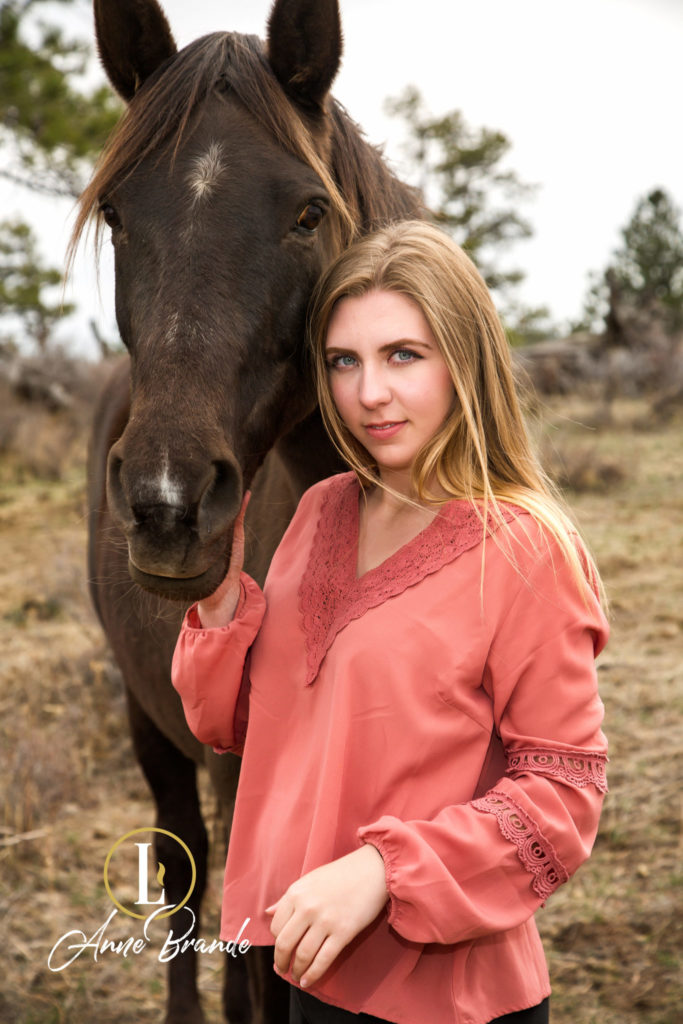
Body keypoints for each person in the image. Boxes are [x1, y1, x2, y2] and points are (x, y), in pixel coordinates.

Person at [171, 221, 609, 1024]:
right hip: (309, 971)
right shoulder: (320, 511)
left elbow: (563, 794)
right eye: (345, 361)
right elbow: (248, 727)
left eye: (403, 355)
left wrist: (382, 870)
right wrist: (218, 594)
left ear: (464, 363)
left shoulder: (520, 549)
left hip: (445, 997)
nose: (368, 392)